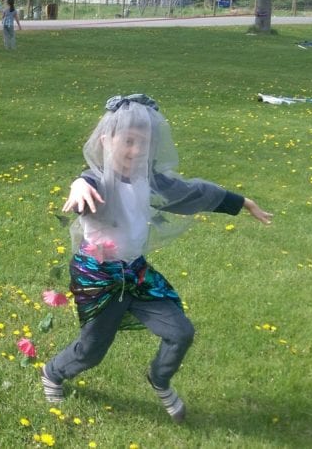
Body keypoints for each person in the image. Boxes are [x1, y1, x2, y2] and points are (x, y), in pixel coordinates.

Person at [40, 94, 271, 423]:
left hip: (135, 273)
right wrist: (77, 184)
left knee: (180, 332)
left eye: (143, 144)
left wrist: (242, 202)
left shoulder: (146, 180)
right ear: (106, 141)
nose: (135, 151)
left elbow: (193, 192)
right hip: (100, 280)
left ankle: (159, 379)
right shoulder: (97, 182)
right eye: (128, 142)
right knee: (92, 350)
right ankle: (53, 372)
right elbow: (86, 183)